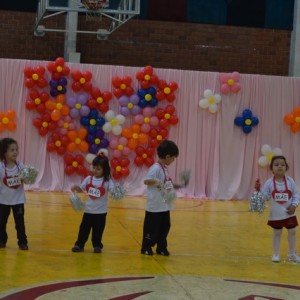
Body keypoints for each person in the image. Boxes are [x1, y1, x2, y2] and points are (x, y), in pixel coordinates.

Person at [141, 139, 182, 256]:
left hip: (164, 205)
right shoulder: (156, 168)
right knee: (151, 228)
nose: (173, 160)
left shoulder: (164, 168)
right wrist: (155, 181)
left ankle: (161, 247)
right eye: (173, 158)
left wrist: (174, 185)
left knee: (165, 227)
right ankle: (146, 247)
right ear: (168, 156)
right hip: (155, 206)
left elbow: (165, 182)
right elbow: (147, 180)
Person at [71, 152, 114, 253]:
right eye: (94, 167)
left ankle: (97, 245)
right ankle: (79, 244)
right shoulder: (88, 179)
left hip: (101, 213)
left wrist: (115, 192)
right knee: (83, 230)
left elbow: (112, 190)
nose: (95, 170)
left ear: (104, 170)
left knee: (98, 231)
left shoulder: (107, 181)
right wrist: (77, 188)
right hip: (88, 211)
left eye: (98, 169)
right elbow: (82, 189)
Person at [261, 155, 300, 263]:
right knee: (277, 233)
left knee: (292, 231)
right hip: (276, 214)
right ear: (271, 168)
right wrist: (259, 190)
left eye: (282, 165)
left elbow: (296, 194)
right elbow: (266, 197)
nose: (279, 167)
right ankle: (276, 254)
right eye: (276, 165)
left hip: (290, 213)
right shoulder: (269, 183)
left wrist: (294, 205)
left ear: (286, 167)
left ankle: (292, 254)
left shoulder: (290, 181)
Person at [0, 138, 29, 250]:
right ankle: (1, 240)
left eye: (16, 149)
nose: (15, 152)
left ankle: (22, 242)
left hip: (18, 201)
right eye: (12, 150)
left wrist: (24, 177)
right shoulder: (1, 167)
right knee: (1, 222)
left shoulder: (20, 166)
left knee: (20, 223)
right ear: (4, 152)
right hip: (3, 201)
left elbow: (28, 181)